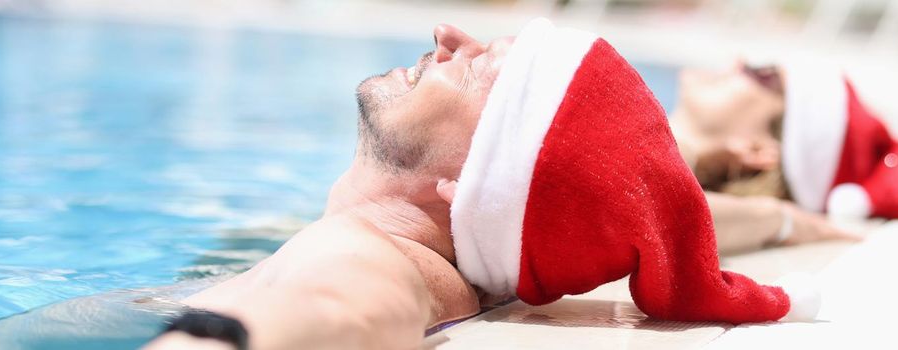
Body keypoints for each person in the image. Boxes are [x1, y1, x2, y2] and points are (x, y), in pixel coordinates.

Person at [149, 19, 816, 349]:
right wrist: (791, 223)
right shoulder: (463, 259)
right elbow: (676, 220)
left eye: (480, 70)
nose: (446, 35)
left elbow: (341, 311)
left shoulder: (367, 257)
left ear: (478, 184)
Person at [670, 60, 898, 254]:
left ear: (758, 152)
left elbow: (666, 211)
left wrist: (777, 220)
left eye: (761, 74)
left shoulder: (663, 171)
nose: (738, 62)